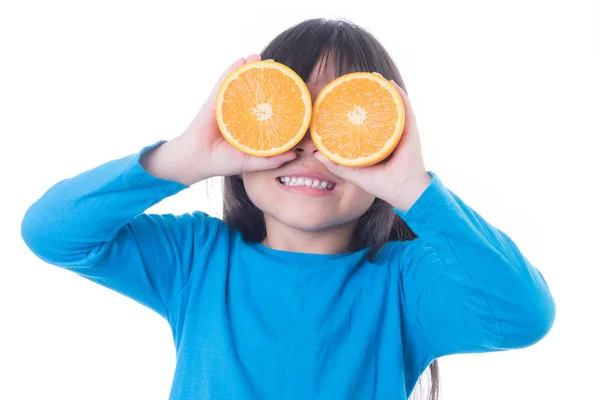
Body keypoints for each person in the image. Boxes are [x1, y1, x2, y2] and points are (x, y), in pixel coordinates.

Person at [20, 18, 555, 400]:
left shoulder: (404, 285)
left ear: (386, 141)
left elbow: (523, 315)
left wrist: (414, 189)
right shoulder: (197, 260)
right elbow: (52, 232)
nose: (310, 148)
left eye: (340, 125)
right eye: (289, 118)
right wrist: (185, 157)